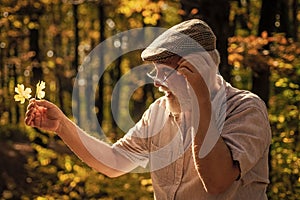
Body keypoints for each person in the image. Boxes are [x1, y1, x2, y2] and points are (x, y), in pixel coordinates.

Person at [25, 19, 272, 199]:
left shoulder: (245, 110)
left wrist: (200, 102)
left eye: (165, 71)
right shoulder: (159, 112)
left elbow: (217, 182)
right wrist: (62, 126)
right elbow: (114, 162)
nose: (156, 81)